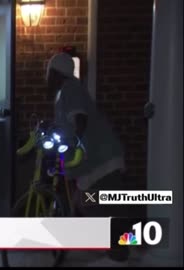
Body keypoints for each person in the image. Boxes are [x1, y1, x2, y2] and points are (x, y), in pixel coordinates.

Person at [46, 53, 128, 266]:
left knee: (102, 208)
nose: (46, 76)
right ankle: (113, 249)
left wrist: (74, 149)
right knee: (83, 204)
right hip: (95, 162)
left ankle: (119, 257)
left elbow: (79, 120)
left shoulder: (70, 89)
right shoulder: (68, 90)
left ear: (55, 73)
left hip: (100, 162)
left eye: (48, 72)